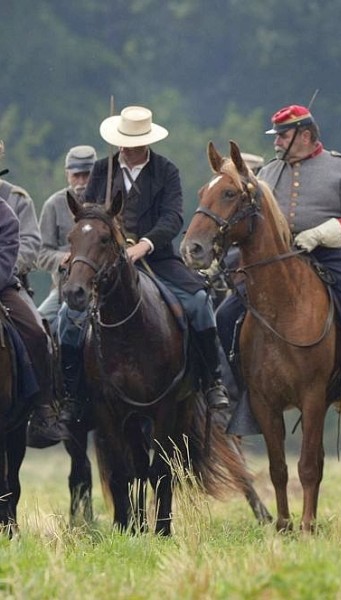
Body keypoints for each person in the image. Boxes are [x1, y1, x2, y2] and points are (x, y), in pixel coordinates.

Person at [57, 106, 230, 434]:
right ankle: (73, 395)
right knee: (69, 318)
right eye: (122, 140)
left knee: (198, 302)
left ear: (146, 142)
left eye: (132, 141)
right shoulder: (101, 170)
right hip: (106, 259)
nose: (125, 147)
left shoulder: (166, 171)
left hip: (157, 258)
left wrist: (144, 244)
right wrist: (84, 248)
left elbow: (173, 218)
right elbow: (88, 214)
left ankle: (212, 381)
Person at [251, 104, 341, 417]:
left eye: (283, 135)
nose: (277, 142)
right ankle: (241, 388)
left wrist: (322, 233)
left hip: (331, 253)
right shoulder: (268, 172)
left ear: (305, 134)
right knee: (229, 312)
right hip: (278, 260)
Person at [1, 197, 60, 447]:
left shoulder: (5, 214)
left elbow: (5, 262)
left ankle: (42, 409)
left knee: (36, 332)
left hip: (2, 286)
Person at [37, 145, 97, 325]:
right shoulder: (53, 205)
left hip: (101, 285)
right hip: (64, 286)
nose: (81, 181)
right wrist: (62, 258)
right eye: (76, 175)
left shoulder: (105, 201)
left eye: (86, 174)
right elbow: (40, 253)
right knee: (38, 324)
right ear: (67, 174)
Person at [0, 140, 41, 295]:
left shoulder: (17, 198)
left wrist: (9, 266)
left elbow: (30, 243)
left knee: (32, 320)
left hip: (8, 283)